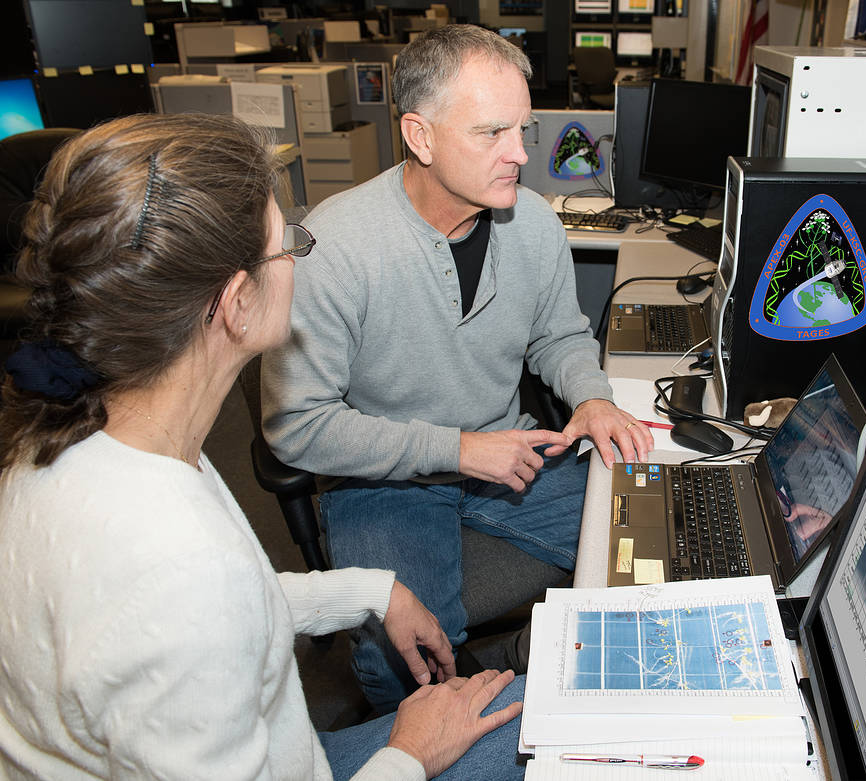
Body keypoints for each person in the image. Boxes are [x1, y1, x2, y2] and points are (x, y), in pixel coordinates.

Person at [0, 112, 525, 780]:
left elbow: (217, 610)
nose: (297, 262)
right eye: (287, 246)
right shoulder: (176, 558)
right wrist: (411, 753)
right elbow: (194, 598)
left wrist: (370, 591)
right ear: (235, 301)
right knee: (550, 720)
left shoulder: (89, 435)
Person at [262, 23, 654, 713]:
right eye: (491, 133)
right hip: (385, 479)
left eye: (522, 130)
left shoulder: (533, 224)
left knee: (652, 542)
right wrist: (458, 449)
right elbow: (297, 426)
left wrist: (589, 396)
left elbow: (559, 335)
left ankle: (529, 661)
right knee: (405, 663)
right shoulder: (337, 247)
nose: (519, 154)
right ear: (420, 136)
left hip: (513, 453)